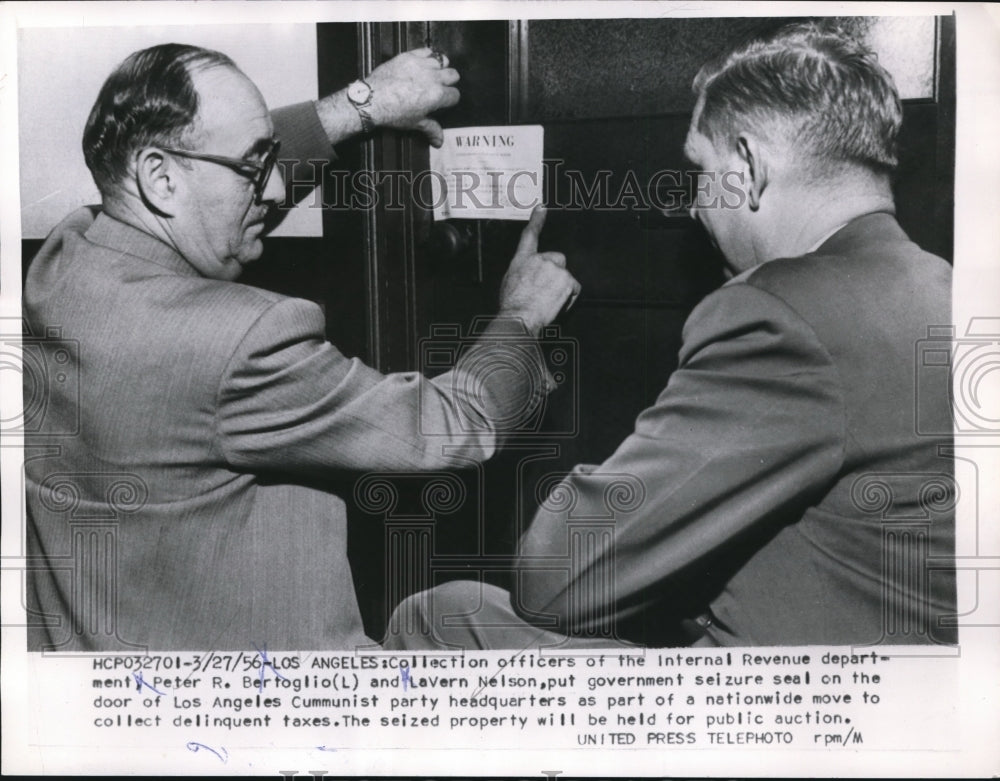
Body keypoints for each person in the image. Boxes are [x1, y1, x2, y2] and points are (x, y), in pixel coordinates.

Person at [386, 22, 956, 650]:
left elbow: (553, 580)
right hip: (903, 679)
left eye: (700, 169)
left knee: (441, 616)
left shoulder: (778, 314)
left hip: (787, 709)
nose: (692, 205)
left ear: (749, 166)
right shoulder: (942, 285)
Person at [23, 43, 580, 652]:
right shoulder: (242, 340)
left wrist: (364, 105)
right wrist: (521, 317)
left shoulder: (64, 260)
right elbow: (451, 427)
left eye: (268, 158)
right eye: (251, 168)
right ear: (160, 177)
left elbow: (212, 196)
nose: (268, 191)